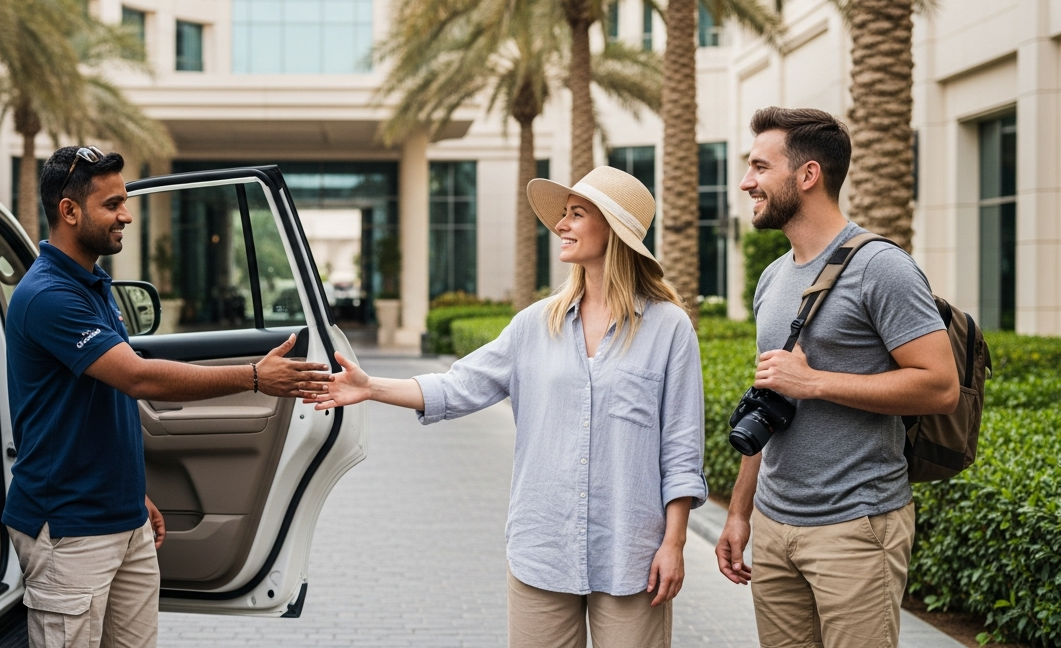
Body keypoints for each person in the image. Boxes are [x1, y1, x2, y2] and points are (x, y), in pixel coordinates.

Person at [309, 166, 707, 648]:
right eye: (564, 214)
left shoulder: (669, 329)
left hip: (633, 555)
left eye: (577, 214)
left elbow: (681, 449)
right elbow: (459, 386)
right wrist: (370, 386)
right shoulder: (535, 325)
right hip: (543, 549)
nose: (561, 224)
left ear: (614, 230)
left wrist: (674, 543)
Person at [3, 146, 333, 648]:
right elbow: (137, 378)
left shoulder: (92, 284)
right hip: (68, 528)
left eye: (124, 201)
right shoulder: (49, 295)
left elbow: (99, 401)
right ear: (69, 211)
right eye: (112, 204)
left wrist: (132, 494)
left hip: (122, 517)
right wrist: (253, 376)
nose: (126, 215)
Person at [715, 108, 959, 648]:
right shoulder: (773, 277)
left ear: (808, 175)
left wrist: (815, 383)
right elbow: (766, 397)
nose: (746, 182)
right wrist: (739, 513)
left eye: (760, 167)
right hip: (774, 526)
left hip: (856, 527)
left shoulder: (881, 267)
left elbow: (940, 386)